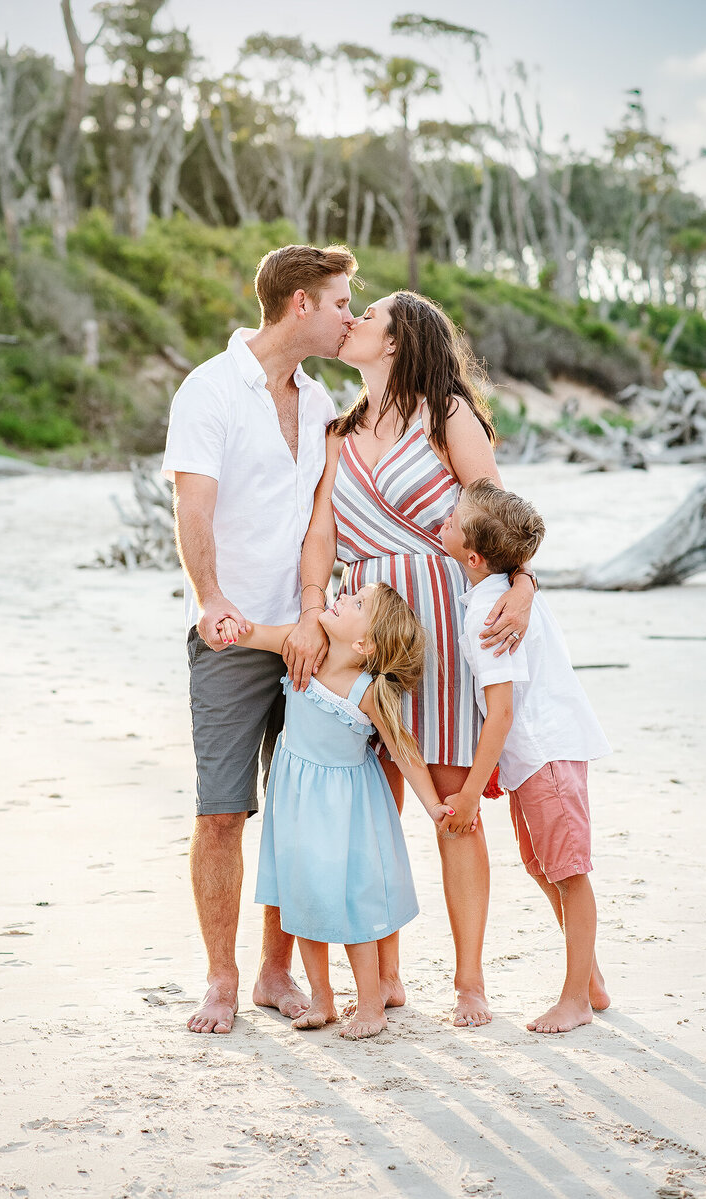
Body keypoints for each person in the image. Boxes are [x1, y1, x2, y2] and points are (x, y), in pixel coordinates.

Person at [282, 291, 537, 1028]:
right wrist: (309, 612)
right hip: (364, 629)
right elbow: (322, 539)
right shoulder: (337, 433)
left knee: (453, 805)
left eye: (369, 318)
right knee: (373, 805)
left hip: (446, 628)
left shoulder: (445, 415)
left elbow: (502, 521)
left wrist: (520, 585)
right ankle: (385, 975)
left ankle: (469, 980)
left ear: (396, 343)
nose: (352, 321)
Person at [161, 243, 358, 1034]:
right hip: (235, 633)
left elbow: (321, 518)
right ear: (301, 304)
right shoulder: (208, 389)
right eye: (342, 300)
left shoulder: (317, 402)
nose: (350, 314)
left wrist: (316, 611)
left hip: (309, 633)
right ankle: (220, 974)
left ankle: (277, 971)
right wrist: (211, 598)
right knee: (221, 811)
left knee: (295, 810)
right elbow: (194, 508)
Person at [218, 583, 462, 1039]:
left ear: (365, 644)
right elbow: (255, 634)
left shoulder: (365, 689)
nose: (344, 596)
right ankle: (322, 997)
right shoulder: (304, 645)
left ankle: (371, 1005)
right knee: (303, 896)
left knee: (354, 904)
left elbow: (403, 751)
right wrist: (230, 626)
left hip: (346, 810)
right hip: (296, 801)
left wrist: (432, 804)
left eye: (358, 603)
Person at [440, 477, 612, 1032]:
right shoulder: (500, 592)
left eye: (454, 517)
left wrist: (468, 795)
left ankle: (577, 1001)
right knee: (543, 864)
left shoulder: (489, 614)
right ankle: (590, 979)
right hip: (533, 759)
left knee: (568, 872)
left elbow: (504, 712)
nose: (445, 516)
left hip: (546, 754)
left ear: (472, 555)